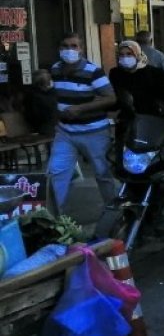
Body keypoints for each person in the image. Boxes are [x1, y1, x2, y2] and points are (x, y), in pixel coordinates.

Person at [47, 32, 117, 236]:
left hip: (94, 132)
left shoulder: (93, 71)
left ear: (81, 49)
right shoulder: (55, 69)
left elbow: (110, 97)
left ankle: (113, 212)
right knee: (56, 172)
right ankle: (52, 219)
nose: (69, 50)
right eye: (65, 46)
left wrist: (81, 109)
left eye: (74, 46)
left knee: (102, 173)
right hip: (65, 132)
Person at [109, 40, 164, 145]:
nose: (125, 58)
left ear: (138, 55)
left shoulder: (155, 74)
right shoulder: (116, 74)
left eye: (129, 54)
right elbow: (116, 98)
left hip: (153, 122)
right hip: (127, 124)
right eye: (121, 55)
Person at [133, 30, 164, 102]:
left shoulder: (130, 55)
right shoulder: (159, 55)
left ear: (136, 42)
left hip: (135, 93)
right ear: (151, 41)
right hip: (156, 93)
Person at [23, 69, 57, 137]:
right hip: (42, 127)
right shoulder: (34, 95)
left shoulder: (50, 92)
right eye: (48, 81)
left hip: (52, 125)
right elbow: (36, 115)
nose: (50, 82)